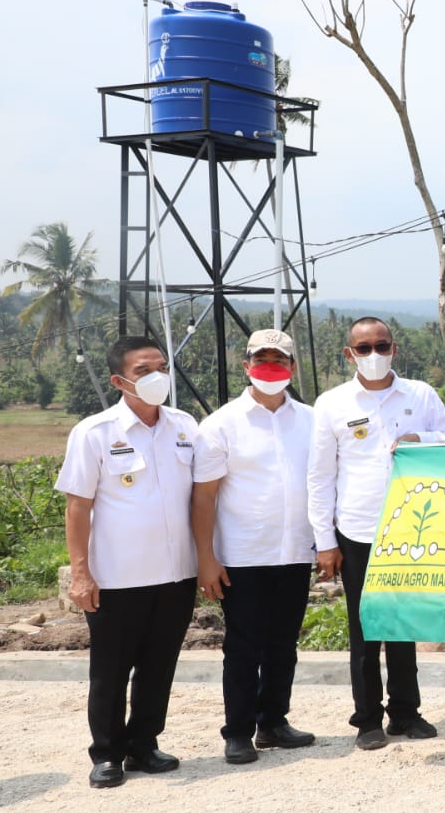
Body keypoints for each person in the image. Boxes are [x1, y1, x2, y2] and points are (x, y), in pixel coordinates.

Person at [307, 317, 445, 751]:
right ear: (348, 353)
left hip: (410, 528)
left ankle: (406, 713)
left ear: (395, 347)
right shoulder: (332, 404)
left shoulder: (420, 395)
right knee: (365, 628)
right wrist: (325, 541)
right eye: (364, 347)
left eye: (381, 345)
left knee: (403, 624)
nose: (374, 354)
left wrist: (421, 437)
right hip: (356, 530)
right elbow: (319, 477)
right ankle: (367, 718)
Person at [55, 335, 199, 789]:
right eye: (143, 371)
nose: (156, 376)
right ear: (119, 380)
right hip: (118, 577)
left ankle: (144, 745)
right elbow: (77, 506)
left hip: (177, 572)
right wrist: (81, 573)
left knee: (160, 665)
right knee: (112, 670)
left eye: (161, 366)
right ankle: (107, 754)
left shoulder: (184, 426)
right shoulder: (95, 432)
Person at [191, 329, 318, 766]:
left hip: (295, 551)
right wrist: (205, 557)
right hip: (242, 556)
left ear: (292, 368)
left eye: (279, 361)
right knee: (244, 646)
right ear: (245, 366)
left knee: (283, 643)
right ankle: (239, 731)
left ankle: (274, 721)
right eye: (261, 360)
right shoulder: (221, 424)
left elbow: (322, 484)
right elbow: (204, 495)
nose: (270, 368)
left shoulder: (311, 420)